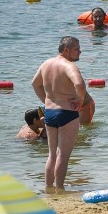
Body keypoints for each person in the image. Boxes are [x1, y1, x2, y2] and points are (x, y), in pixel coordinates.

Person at [31, 36, 88, 190]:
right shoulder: (68, 65)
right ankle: (60, 189)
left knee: (52, 155)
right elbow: (80, 84)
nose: (80, 52)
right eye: (77, 49)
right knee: (63, 155)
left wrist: (46, 100)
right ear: (66, 50)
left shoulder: (46, 64)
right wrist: (80, 101)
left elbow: (35, 84)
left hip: (50, 113)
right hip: (67, 114)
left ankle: (48, 188)